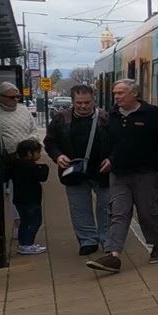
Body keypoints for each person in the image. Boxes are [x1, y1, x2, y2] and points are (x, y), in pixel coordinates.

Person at [86, 79, 158, 274]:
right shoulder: (113, 116)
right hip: (119, 174)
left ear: (134, 93)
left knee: (147, 212)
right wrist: (109, 159)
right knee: (119, 212)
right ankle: (113, 255)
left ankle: (157, 245)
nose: (117, 97)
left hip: (147, 173)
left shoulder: (152, 114)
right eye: (115, 93)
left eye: (121, 93)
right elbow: (110, 144)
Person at [44, 84, 112, 256]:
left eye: (87, 102)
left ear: (93, 100)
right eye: (79, 102)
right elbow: (50, 142)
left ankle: (107, 239)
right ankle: (88, 240)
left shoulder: (105, 118)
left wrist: (112, 159)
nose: (83, 106)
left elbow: (118, 142)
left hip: (102, 170)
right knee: (79, 208)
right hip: (73, 171)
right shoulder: (61, 119)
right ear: (72, 101)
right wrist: (58, 156)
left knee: (106, 207)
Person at [0, 81, 38, 225]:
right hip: (5, 157)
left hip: (24, 158)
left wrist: (31, 144)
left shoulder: (24, 110)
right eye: (11, 97)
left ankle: (19, 222)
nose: (15, 99)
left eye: (18, 96)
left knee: (21, 192)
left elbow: (33, 129)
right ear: (0, 97)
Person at [7, 139, 49, 254]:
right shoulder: (32, 166)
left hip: (19, 199)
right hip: (32, 199)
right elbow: (42, 177)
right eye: (38, 153)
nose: (39, 155)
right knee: (34, 221)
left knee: (24, 222)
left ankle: (23, 244)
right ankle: (27, 244)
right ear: (30, 153)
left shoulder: (15, 165)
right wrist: (44, 167)